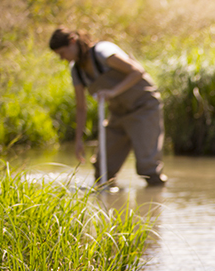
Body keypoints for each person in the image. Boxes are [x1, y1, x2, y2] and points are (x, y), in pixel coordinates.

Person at [49, 27, 167, 187]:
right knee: (102, 170)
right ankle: (112, 206)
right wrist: (78, 141)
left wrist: (113, 91)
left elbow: (137, 71)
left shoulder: (103, 51)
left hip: (144, 108)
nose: (62, 58)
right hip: (118, 114)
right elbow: (81, 107)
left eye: (62, 53)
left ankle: (155, 205)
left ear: (72, 42)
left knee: (147, 168)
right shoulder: (76, 70)